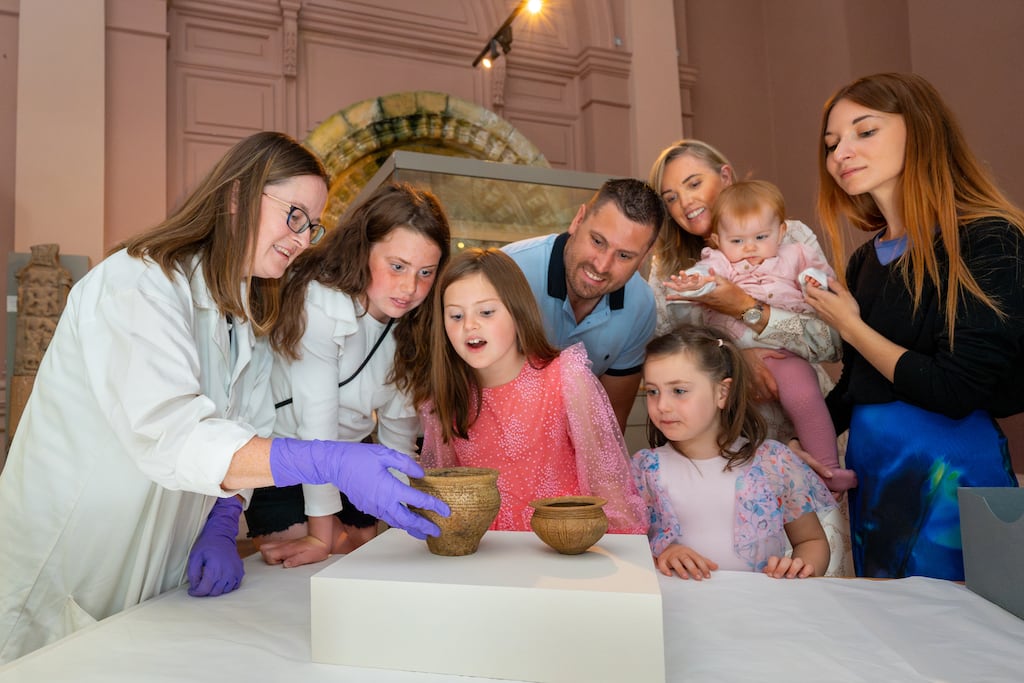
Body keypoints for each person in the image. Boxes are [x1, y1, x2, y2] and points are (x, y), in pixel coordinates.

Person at [0, 132, 448, 663]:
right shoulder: (135, 285)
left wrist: (218, 524)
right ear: (237, 195)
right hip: (66, 568)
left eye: (312, 224)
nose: (303, 239)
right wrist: (330, 458)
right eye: (294, 215)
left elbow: (245, 434)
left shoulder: (243, 317)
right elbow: (176, 435)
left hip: (154, 574)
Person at [807, 72, 1023, 580]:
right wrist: (807, 440)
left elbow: (954, 389)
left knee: (964, 639)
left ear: (921, 130)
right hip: (873, 472)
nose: (840, 153)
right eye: (832, 143)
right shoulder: (865, 260)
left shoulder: (990, 238)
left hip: (949, 476)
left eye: (865, 131)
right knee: (890, 644)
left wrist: (850, 326)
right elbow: (860, 385)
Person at [241, 182, 451, 569]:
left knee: (361, 552)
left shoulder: (413, 329)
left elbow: (398, 441)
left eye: (426, 273)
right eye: (397, 267)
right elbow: (315, 421)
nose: (410, 288)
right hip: (286, 460)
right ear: (363, 249)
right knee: (325, 559)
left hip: (355, 464)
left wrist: (407, 525)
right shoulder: (321, 302)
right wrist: (321, 536)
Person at [417, 247, 647, 533]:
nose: (470, 326)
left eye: (486, 312)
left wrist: (624, 558)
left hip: (562, 547)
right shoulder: (444, 398)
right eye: (455, 316)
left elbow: (607, 482)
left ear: (517, 311)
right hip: (487, 555)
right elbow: (444, 497)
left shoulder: (565, 378)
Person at [675, 180, 855, 492]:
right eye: (737, 240)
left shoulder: (795, 252)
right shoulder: (720, 261)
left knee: (806, 398)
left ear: (781, 232)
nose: (750, 248)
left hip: (784, 351)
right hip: (732, 362)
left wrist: (813, 280)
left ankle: (828, 468)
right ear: (718, 240)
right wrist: (694, 282)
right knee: (718, 416)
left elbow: (817, 279)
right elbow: (706, 274)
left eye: (761, 237)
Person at [631, 325, 836, 580]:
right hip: (680, 608)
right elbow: (626, 549)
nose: (662, 405)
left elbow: (811, 540)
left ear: (722, 392)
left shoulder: (773, 462)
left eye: (679, 391)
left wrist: (801, 568)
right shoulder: (644, 469)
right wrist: (662, 554)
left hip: (759, 609)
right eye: (653, 392)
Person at [502, 178, 665, 433]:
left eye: (624, 255)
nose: (601, 265)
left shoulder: (641, 305)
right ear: (579, 220)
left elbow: (609, 427)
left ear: (645, 256)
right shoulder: (509, 270)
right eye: (598, 241)